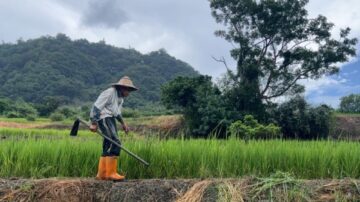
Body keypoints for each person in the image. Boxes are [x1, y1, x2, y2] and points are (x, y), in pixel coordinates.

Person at [89, 76, 138, 181]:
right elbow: (96, 106)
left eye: (130, 90)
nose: (128, 93)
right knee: (115, 142)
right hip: (103, 117)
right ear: (122, 88)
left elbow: (116, 113)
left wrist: (123, 123)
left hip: (111, 118)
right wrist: (94, 122)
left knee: (108, 143)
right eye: (127, 90)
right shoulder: (110, 92)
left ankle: (102, 174)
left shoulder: (120, 98)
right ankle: (111, 173)